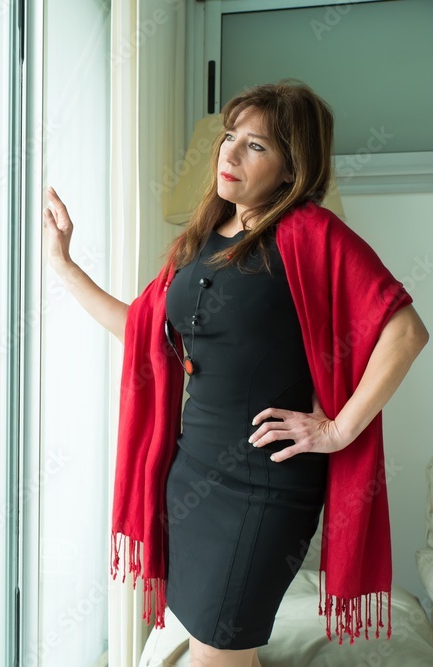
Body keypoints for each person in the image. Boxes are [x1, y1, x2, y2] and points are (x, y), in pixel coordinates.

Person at [42, 80, 429, 667]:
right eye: (230, 137)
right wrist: (63, 265)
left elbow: (405, 331)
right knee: (219, 650)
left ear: (292, 168)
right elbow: (145, 334)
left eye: (256, 145)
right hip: (191, 477)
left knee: (216, 655)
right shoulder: (200, 239)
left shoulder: (311, 234)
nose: (230, 153)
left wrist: (338, 429)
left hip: (265, 489)